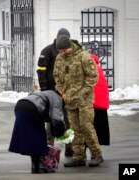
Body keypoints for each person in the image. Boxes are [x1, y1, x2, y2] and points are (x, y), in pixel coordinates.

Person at [53, 35, 103, 167]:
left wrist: (82, 94)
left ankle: (96, 154)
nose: (62, 53)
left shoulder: (84, 56)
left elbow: (93, 77)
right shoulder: (59, 58)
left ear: (70, 47)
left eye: (64, 50)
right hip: (69, 99)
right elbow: (56, 76)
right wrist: (61, 91)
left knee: (86, 127)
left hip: (84, 99)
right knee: (74, 129)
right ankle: (79, 157)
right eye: (60, 51)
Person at [9, 90, 66, 174]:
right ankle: (40, 166)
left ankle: (35, 166)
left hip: (20, 106)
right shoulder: (57, 97)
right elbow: (56, 118)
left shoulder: (44, 93)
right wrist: (62, 131)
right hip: (32, 108)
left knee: (33, 137)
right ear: (61, 94)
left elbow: (48, 115)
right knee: (40, 136)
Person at [37, 28, 73, 156]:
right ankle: (49, 147)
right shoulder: (47, 51)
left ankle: (69, 147)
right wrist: (44, 90)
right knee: (52, 120)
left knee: (68, 120)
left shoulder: (70, 51)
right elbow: (41, 71)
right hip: (52, 92)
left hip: (66, 93)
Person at [91, 53, 110, 146]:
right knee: (99, 127)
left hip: (94, 102)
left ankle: (94, 150)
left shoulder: (91, 68)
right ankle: (98, 145)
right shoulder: (97, 67)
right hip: (101, 103)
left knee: (91, 128)